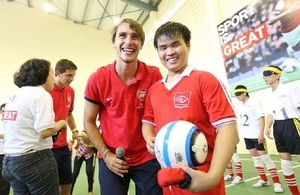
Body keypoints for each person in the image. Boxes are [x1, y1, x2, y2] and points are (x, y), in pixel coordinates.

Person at [142, 21, 238, 195]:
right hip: (169, 180)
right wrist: (149, 138)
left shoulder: (205, 80)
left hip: (201, 179)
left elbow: (227, 128)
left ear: (188, 45)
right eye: (163, 47)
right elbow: (147, 122)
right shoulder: (154, 90)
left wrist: (212, 177)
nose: (169, 52)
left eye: (175, 44)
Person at [83, 18, 163, 195]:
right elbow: (88, 121)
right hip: (112, 157)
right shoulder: (98, 78)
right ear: (114, 42)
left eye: (135, 37)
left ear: (141, 44)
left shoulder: (154, 75)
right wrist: (106, 153)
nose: (129, 41)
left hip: (147, 156)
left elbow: (161, 114)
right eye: (122, 36)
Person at [2, 58, 66, 195]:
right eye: (52, 74)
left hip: (10, 161)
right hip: (34, 159)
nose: (54, 79)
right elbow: (44, 132)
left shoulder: (14, 95)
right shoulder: (41, 94)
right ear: (42, 75)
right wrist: (61, 123)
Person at [233, 84, 284, 192]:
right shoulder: (239, 105)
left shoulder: (254, 102)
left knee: (265, 158)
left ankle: (277, 183)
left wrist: (261, 133)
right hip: (247, 135)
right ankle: (263, 179)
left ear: (244, 92)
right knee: (255, 158)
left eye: (238, 94)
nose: (237, 96)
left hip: (256, 135)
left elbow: (261, 117)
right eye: (235, 94)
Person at [262, 65, 300, 195]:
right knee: (285, 164)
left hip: (292, 124)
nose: (265, 77)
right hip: (278, 127)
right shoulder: (269, 95)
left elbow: (299, 107)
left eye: (268, 74)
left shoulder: (290, 88)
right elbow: (270, 113)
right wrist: (267, 126)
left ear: (278, 75)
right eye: (264, 75)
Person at [49, 59, 79, 195]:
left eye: (73, 76)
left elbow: (69, 114)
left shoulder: (71, 91)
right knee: (50, 185)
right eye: (69, 75)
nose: (72, 79)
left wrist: (74, 130)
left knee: (67, 182)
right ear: (57, 73)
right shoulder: (46, 91)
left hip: (64, 146)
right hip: (47, 148)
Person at [71, 130, 96, 195]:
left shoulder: (94, 135)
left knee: (89, 172)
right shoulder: (82, 134)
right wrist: (74, 143)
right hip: (80, 154)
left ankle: (90, 190)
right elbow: (76, 144)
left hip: (89, 154)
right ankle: (70, 192)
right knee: (75, 174)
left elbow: (95, 146)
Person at [0, 103, 10, 195]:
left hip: (7, 154)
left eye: (6, 111)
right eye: (3, 111)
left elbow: (11, 136)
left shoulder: (11, 124)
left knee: (5, 179)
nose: (4, 113)